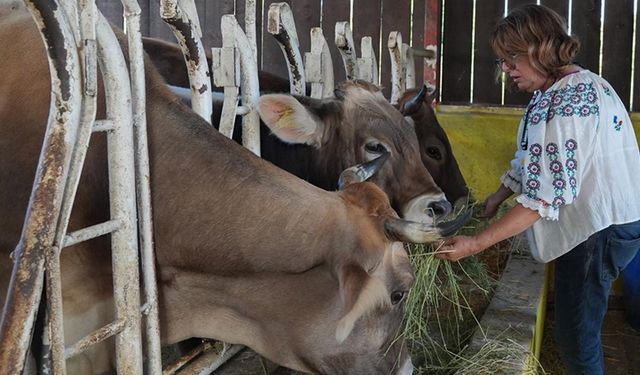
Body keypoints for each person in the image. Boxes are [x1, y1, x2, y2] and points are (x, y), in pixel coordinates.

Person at [435, 4, 640, 374]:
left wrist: (476, 243)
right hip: (614, 219)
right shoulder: (572, 87)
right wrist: (498, 196)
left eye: (513, 57)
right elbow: (532, 157)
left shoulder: (565, 103)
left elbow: (545, 197)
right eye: (503, 59)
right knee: (581, 318)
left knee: (577, 337)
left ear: (542, 49)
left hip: (598, 230)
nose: (506, 68)